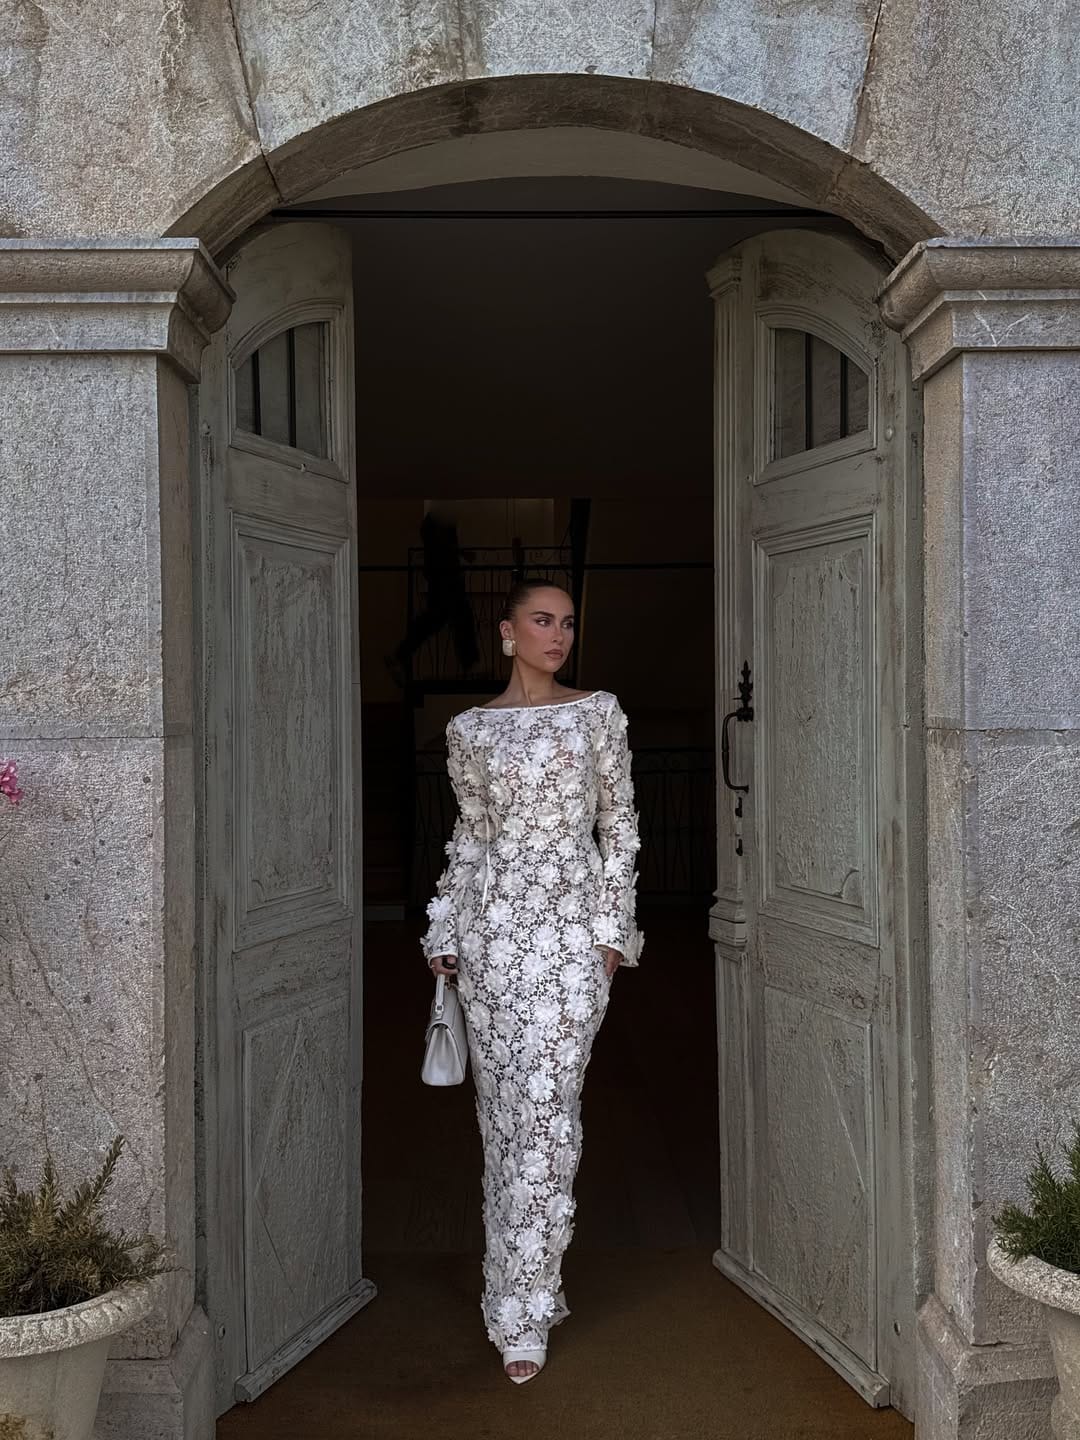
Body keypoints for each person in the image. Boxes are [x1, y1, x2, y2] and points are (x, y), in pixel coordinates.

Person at [420, 578, 644, 1384]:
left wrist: (611, 936)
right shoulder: (469, 731)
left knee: (549, 1110)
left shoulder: (598, 714)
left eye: (569, 623)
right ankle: (507, 1293)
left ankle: (528, 1307)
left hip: (571, 943)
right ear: (508, 632)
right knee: (505, 1118)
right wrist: (445, 931)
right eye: (542, 622)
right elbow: (471, 837)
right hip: (491, 942)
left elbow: (618, 826)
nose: (559, 636)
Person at [385, 501, 479, 684]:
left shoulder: (438, 521)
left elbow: (441, 547)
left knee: (438, 619)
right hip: (444, 577)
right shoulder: (438, 521)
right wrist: (458, 557)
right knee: (456, 618)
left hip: (443, 576)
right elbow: (440, 547)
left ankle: (399, 656)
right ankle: (470, 665)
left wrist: (459, 555)